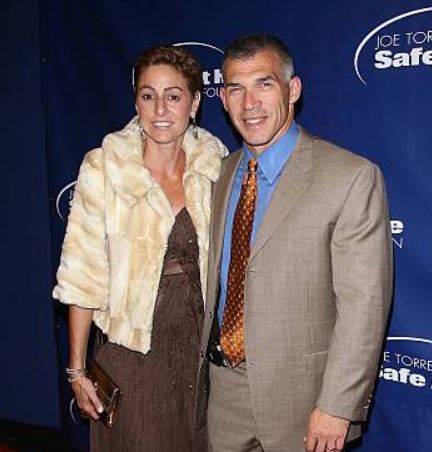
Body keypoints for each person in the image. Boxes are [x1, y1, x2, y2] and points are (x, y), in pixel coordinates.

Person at [195, 34, 393, 452]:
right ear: (224, 99)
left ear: (293, 90)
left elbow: (365, 304)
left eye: (264, 84)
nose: (250, 103)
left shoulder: (350, 177)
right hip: (223, 393)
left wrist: (337, 405)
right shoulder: (221, 173)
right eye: (235, 88)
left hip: (304, 402)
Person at [53, 45, 227, 451]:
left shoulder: (215, 165)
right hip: (132, 355)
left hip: (199, 356)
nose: (160, 109)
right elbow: (82, 276)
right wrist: (77, 372)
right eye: (148, 95)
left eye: (173, 96)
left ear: (195, 102)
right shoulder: (104, 168)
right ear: (136, 102)